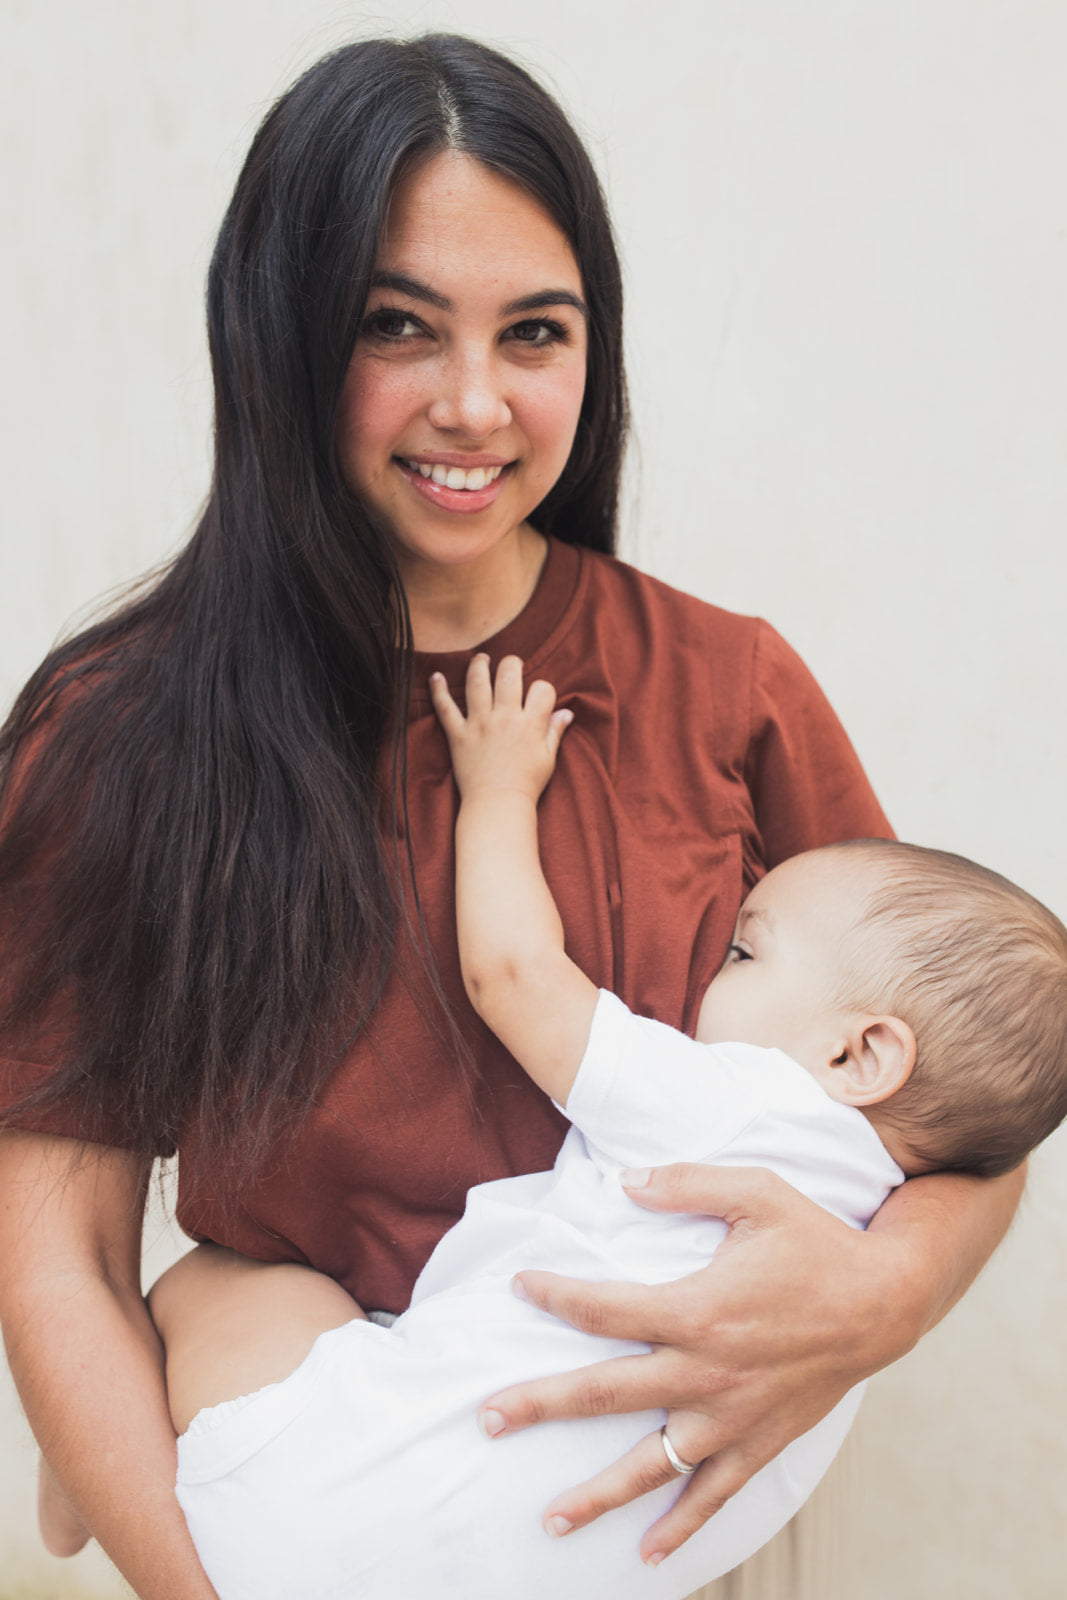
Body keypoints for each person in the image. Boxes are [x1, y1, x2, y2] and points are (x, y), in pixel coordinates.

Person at [0, 36, 1022, 1600]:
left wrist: (876, 1301)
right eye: (395, 326)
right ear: (274, 338)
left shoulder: (724, 688)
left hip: (630, 1533)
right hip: (292, 1512)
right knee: (215, 1295)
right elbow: (56, 1257)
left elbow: (954, 1099)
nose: (472, 403)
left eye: (533, 332)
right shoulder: (122, 737)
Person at [158, 654, 1067, 1600]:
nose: (712, 967)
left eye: (743, 949)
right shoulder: (848, 1292)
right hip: (508, 1574)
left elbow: (513, 974)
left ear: (858, 1056)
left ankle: (76, 1473)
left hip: (301, 1506)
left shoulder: (740, 1108)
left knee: (225, 1280)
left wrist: (500, 786)